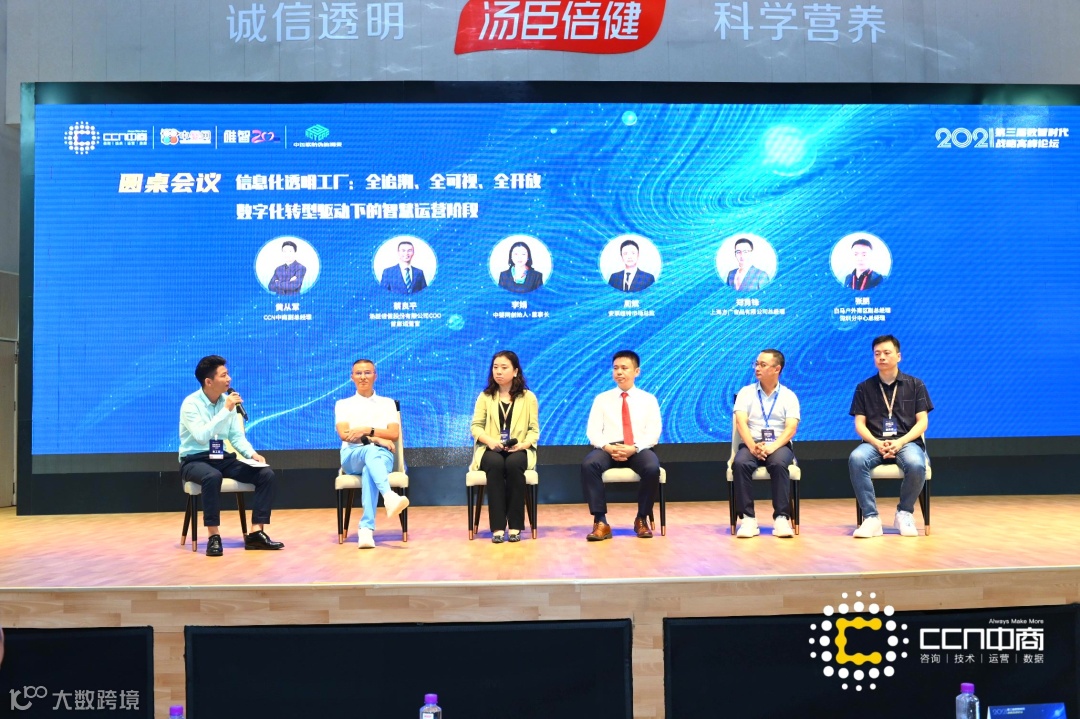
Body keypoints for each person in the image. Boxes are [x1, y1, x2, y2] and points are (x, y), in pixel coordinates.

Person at [179, 355, 283, 556]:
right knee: (212, 476)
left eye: (228, 374)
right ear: (209, 381)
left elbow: (236, 436)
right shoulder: (191, 404)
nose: (229, 379)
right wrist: (226, 410)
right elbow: (201, 436)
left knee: (265, 474)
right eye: (224, 375)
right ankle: (213, 536)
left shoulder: (227, 403)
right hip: (194, 459)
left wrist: (251, 454)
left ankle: (256, 533)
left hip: (221, 457)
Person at [849, 335, 933, 538]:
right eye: (877, 354)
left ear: (898, 356)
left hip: (907, 441)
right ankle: (871, 518)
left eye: (887, 353)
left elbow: (922, 422)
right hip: (874, 442)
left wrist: (900, 442)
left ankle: (904, 513)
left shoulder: (916, 385)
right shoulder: (864, 387)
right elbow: (859, 424)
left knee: (916, 463)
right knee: (856, 459)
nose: (882, 357)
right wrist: (877, 443)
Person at [581, 350, 662, 540]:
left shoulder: (648, 399)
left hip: (637, 448)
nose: (619, 372)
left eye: (624, 368)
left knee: (652, 468)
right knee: (589, 465)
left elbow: (654, 433)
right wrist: (608, 447)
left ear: (637, 371)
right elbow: (593, 432)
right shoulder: (602, 399)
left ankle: (641, 519)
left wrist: (634, 448)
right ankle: (601, 521)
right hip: (609, 448)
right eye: (615, 368)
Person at [335, 359, 411, 548]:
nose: (363, 377)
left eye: (367, 372)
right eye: (358, 373)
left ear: (375, 376)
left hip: (382, 456)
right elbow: (345, 435)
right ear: (352, 377)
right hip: (352, 456)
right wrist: (376, 439)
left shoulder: (387, 403)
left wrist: (366, 430)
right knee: (369, 450)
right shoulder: (343, 404)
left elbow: (393, 434)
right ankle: (388, 496)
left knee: (370, 468)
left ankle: (366, 529)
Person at [470, 351, 540, 543]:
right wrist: (490, 441)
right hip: (491, 448)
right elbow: (476, 427)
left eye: (504, 367)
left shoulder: (528, 397)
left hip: (519, 449)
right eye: (495, 367)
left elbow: (534, 430)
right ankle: (498, 528)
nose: (498, 372)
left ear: (515, 371)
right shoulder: (485, 397)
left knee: (514, 464)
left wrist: (523, 445)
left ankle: (515, 526)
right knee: (495, 464)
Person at [731, 350, 800, 538]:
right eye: (756, 364)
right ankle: (748, 519)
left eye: (763, 365)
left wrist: (772, 447)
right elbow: (741, 423)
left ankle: (781, 519)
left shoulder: (789, 396)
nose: (757, 368)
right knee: (740, 463)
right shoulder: (746, 393)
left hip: (779, 445)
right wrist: (753, 447)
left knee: (778, 464)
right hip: (751, 444)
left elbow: (791, 428)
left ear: (777, 369)